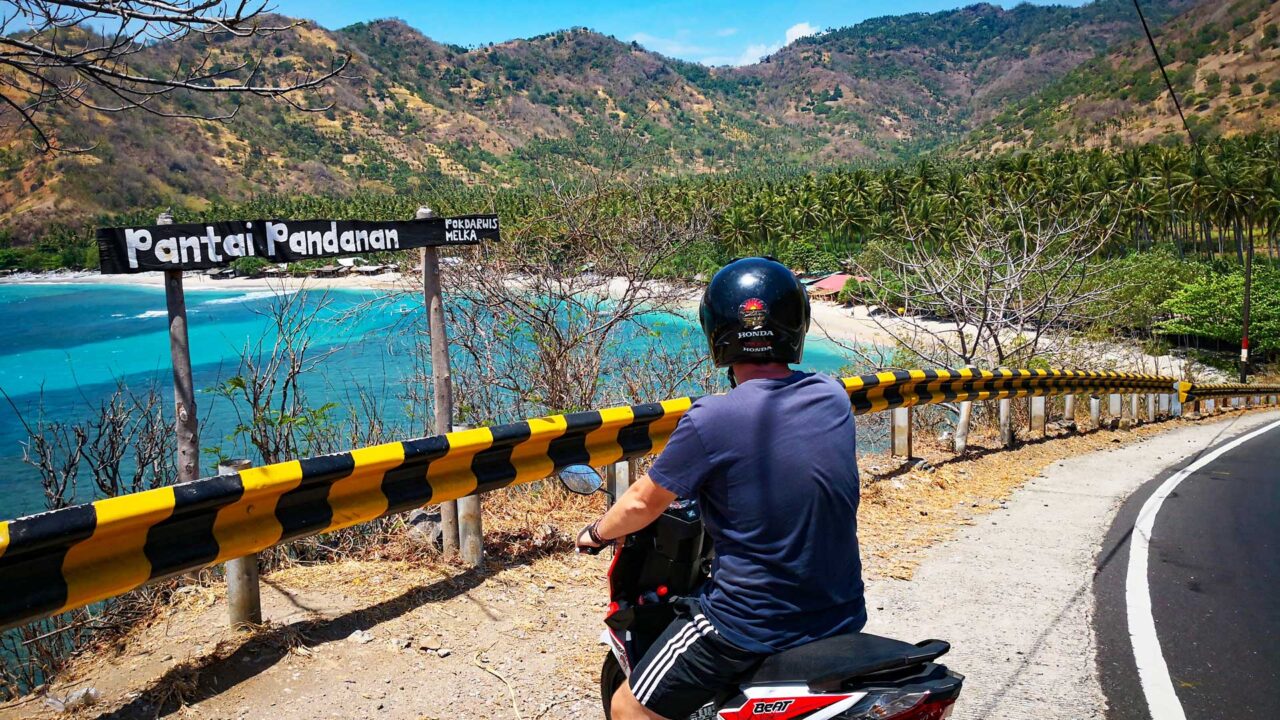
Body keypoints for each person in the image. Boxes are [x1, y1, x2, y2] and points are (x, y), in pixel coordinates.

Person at [576, 257, 866, 720]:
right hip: (842, 611)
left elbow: (640, 503)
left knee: (628, 708)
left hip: (749, 621)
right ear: (797, 325)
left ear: (717, 332)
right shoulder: (832, 396)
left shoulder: (712, 417)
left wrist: (594, 533)